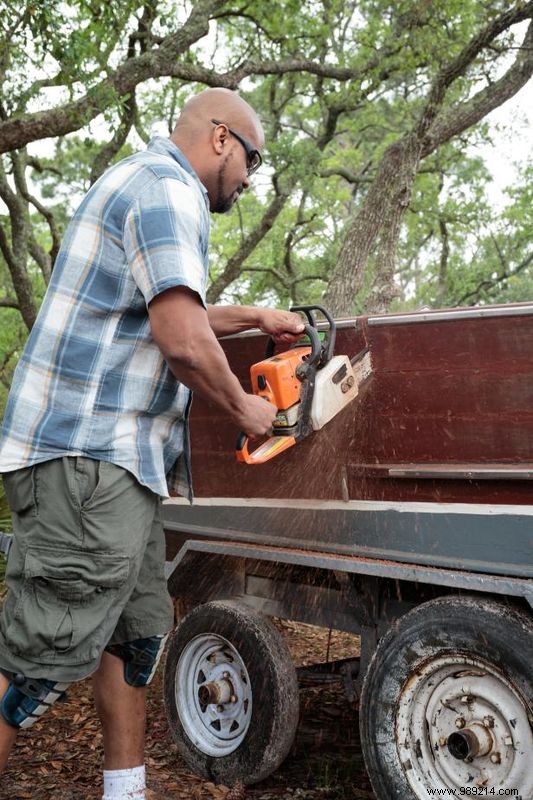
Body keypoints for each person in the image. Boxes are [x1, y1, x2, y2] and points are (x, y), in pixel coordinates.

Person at [0, 88, 304, 800]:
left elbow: (169, 310)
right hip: (86, 462)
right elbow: (181, 342)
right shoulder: (170, 190)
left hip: (121, 468)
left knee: (132, 644)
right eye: (253, 160)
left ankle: (125, 791)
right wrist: (245, 409)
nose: (251, 179)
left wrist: (256, 314)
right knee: (36, 662)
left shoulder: (144, 182)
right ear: (221, 138)